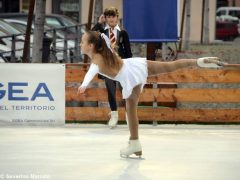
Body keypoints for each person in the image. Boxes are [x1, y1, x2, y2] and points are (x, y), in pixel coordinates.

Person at [77, 31, 226, 158]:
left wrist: (84, 85)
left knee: (130, 110)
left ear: (91, 46)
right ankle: (199, 61)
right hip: (133, 65)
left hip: (129, 74)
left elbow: (92, 70)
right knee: (169, 67)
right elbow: (99, 55)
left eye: (82, 42)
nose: (80, 44)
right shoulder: (103, 52)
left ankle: (135, 143)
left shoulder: (97, 58)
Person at [92, 7, 132, 128]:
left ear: (117, 17)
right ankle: (114, 115)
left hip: (121, 66)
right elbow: (90, 35)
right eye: (108, 17)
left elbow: (129, 53)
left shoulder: (123, 33)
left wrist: (120, 53)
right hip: (108, 66)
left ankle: (128, 115)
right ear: (106, 18)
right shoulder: (103, 32)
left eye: (113, 16)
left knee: (125, 90)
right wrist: (99, 23)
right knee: (111, 90)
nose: (111, 19)